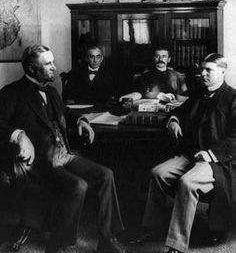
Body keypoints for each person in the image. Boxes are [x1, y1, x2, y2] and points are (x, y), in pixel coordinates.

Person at [0, 45, 131, 253]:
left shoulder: (51, 92)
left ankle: (107, 239)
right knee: (78, 185)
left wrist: (81, 120)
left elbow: (65, 112)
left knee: (105, 174)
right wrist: (19, 135)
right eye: (48, 63)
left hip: (62, 155)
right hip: (37, 163)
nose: (54, 67)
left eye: (52, 62)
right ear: (33, 69)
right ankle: (58, 245)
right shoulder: (12, 92)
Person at [135, 53, 236, 253]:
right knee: (158, 173)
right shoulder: (199, 93)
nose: (203, 73)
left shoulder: (232, 98)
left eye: (209, 70)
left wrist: (211, 154)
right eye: (202, 69)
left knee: (187, 182)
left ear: (223, 72)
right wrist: (173, 120)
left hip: (217, 162)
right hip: (192, 154)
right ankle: (152, 228)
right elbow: (178, 112)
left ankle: (176, 245)